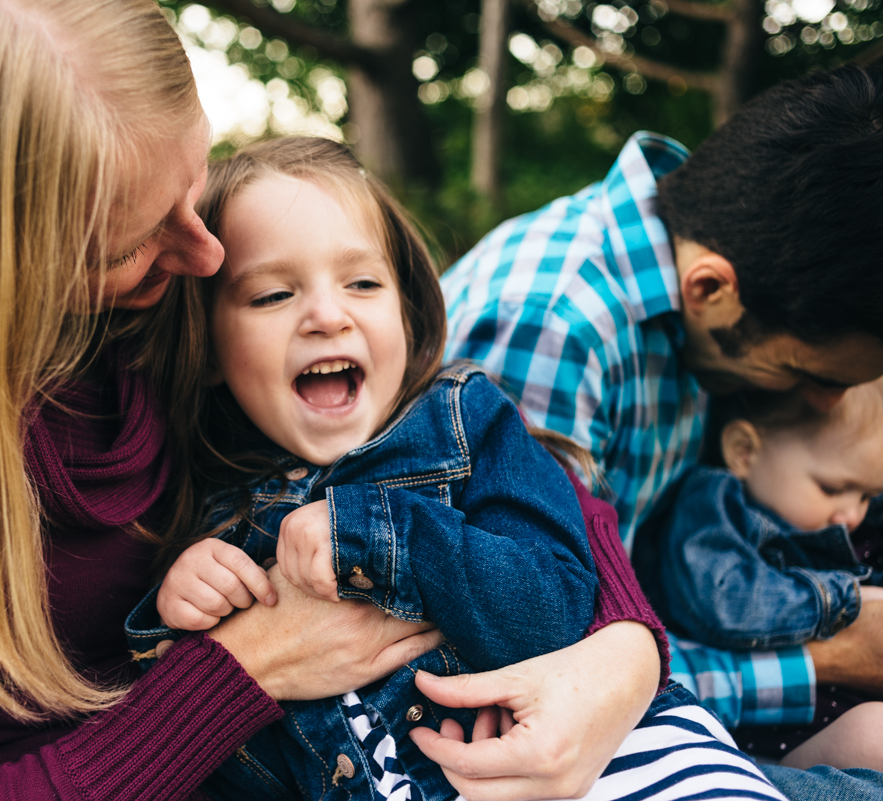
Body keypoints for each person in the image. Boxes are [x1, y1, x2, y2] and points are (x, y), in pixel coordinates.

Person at [0, 1, 663, 799]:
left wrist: (622, 660)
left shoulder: (181, 294)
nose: (203, 254)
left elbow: (473, 451)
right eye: (129, 242)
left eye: (195, 181)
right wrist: (246, 671)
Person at [126, 137, 786, 801]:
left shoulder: (465, 425)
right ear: (206, 345)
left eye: (362, 283)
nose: (328, 315)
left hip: (619, 770)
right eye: (272, 295)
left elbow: (553, 610)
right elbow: (228, 751)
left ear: (408, 312)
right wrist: (175, 613)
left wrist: (387, 539)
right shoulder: (210, 501)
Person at [439, 63, 883, 798]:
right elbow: (547, 673)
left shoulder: (695, 291)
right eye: (815, 373)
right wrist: (825, 658)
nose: (825, 403)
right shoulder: (557, 328)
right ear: (712, 289)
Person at [638, 381, 883, 772]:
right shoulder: (717, 509)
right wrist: (846, 598)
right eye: (834, 488)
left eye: (867, 496)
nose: (851, 515)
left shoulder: (844, 522)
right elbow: (725, 603)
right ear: (744, 451)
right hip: (770, 731)